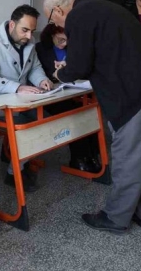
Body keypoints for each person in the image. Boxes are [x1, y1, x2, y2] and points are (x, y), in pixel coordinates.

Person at [43, 0, 141, 235]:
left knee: (129, 154)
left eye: (52, 19)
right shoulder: (101, 6)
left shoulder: (77, 16)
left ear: (58, 10)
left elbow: (79, 66)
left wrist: (60, 73)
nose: (56, 25)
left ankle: (116, 217)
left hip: (135, 91)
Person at [0, 4, 54, 192]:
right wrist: (18, 87)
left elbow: (35, 68)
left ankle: (16, 159)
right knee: (28, 127)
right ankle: (13, 173)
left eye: (32, 31)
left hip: (21, 102)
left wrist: (42, 80)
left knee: (45, 121)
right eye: (24, 30)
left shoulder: (28, 42)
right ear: (12, 25)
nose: (29, 36)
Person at [35, 23, 101, 175]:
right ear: (52, 35)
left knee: (88, 113)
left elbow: (81, 69)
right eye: (61, 40)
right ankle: (79, 158)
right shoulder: (40, 49)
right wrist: (58, 73)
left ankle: (93, 156)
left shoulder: (71, 48)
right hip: (51, 94)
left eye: (67, 40)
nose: (64, 44)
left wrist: (68, 69)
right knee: (75, 114)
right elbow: (40, 73)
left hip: (70, 92)